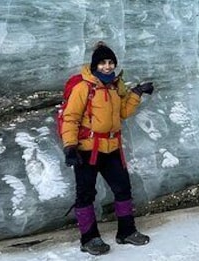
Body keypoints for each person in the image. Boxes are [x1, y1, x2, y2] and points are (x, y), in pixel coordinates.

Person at [61, 41, 155, 255]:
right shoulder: (84, 87)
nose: (107, 66)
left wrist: (137, 93)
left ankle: (126, 232)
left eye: (111, 62)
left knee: (123, 189)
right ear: (95, 65)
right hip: (87, 149)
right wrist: (70, 147)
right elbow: (70, 117)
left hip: (111, 148)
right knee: (85, 194)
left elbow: (121, 112)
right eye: (103, 63)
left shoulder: (113, 87)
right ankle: (89, 239)